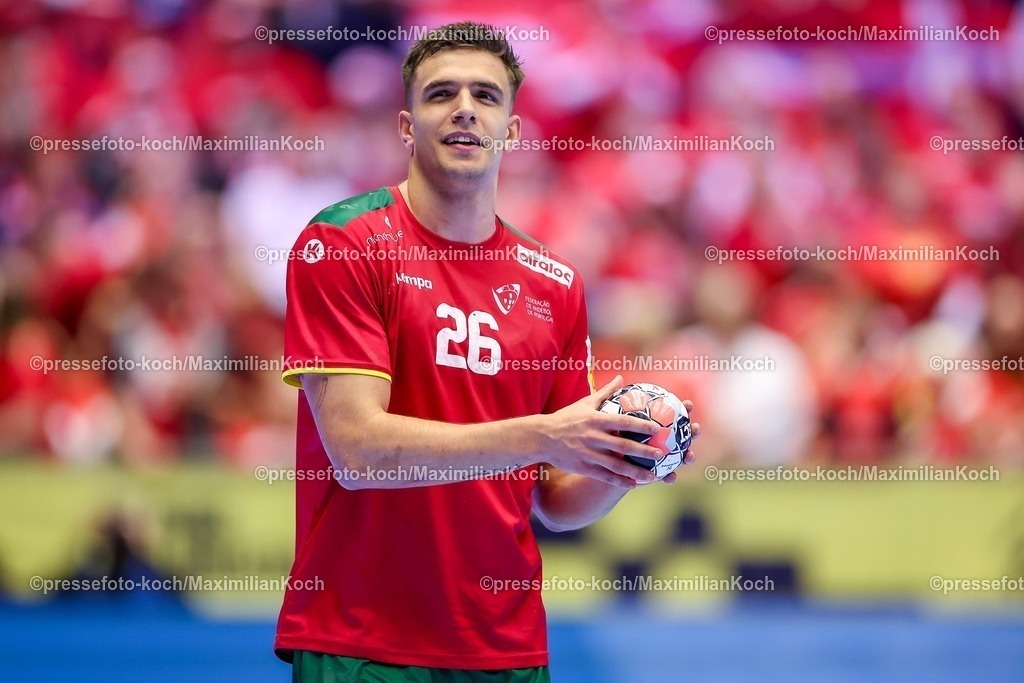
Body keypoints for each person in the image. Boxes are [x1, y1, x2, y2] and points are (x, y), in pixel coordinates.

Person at [275, 21, 700, 683]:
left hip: (506, 650)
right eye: (440, 94)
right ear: (406, 126)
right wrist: (542, 433)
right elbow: (357, 451)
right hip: (362, 642)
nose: (465, 108)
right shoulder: (343, 243)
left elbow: (556, 498)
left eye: (487, 96)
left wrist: (620, 461)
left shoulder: (554, 283)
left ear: (514, 131)